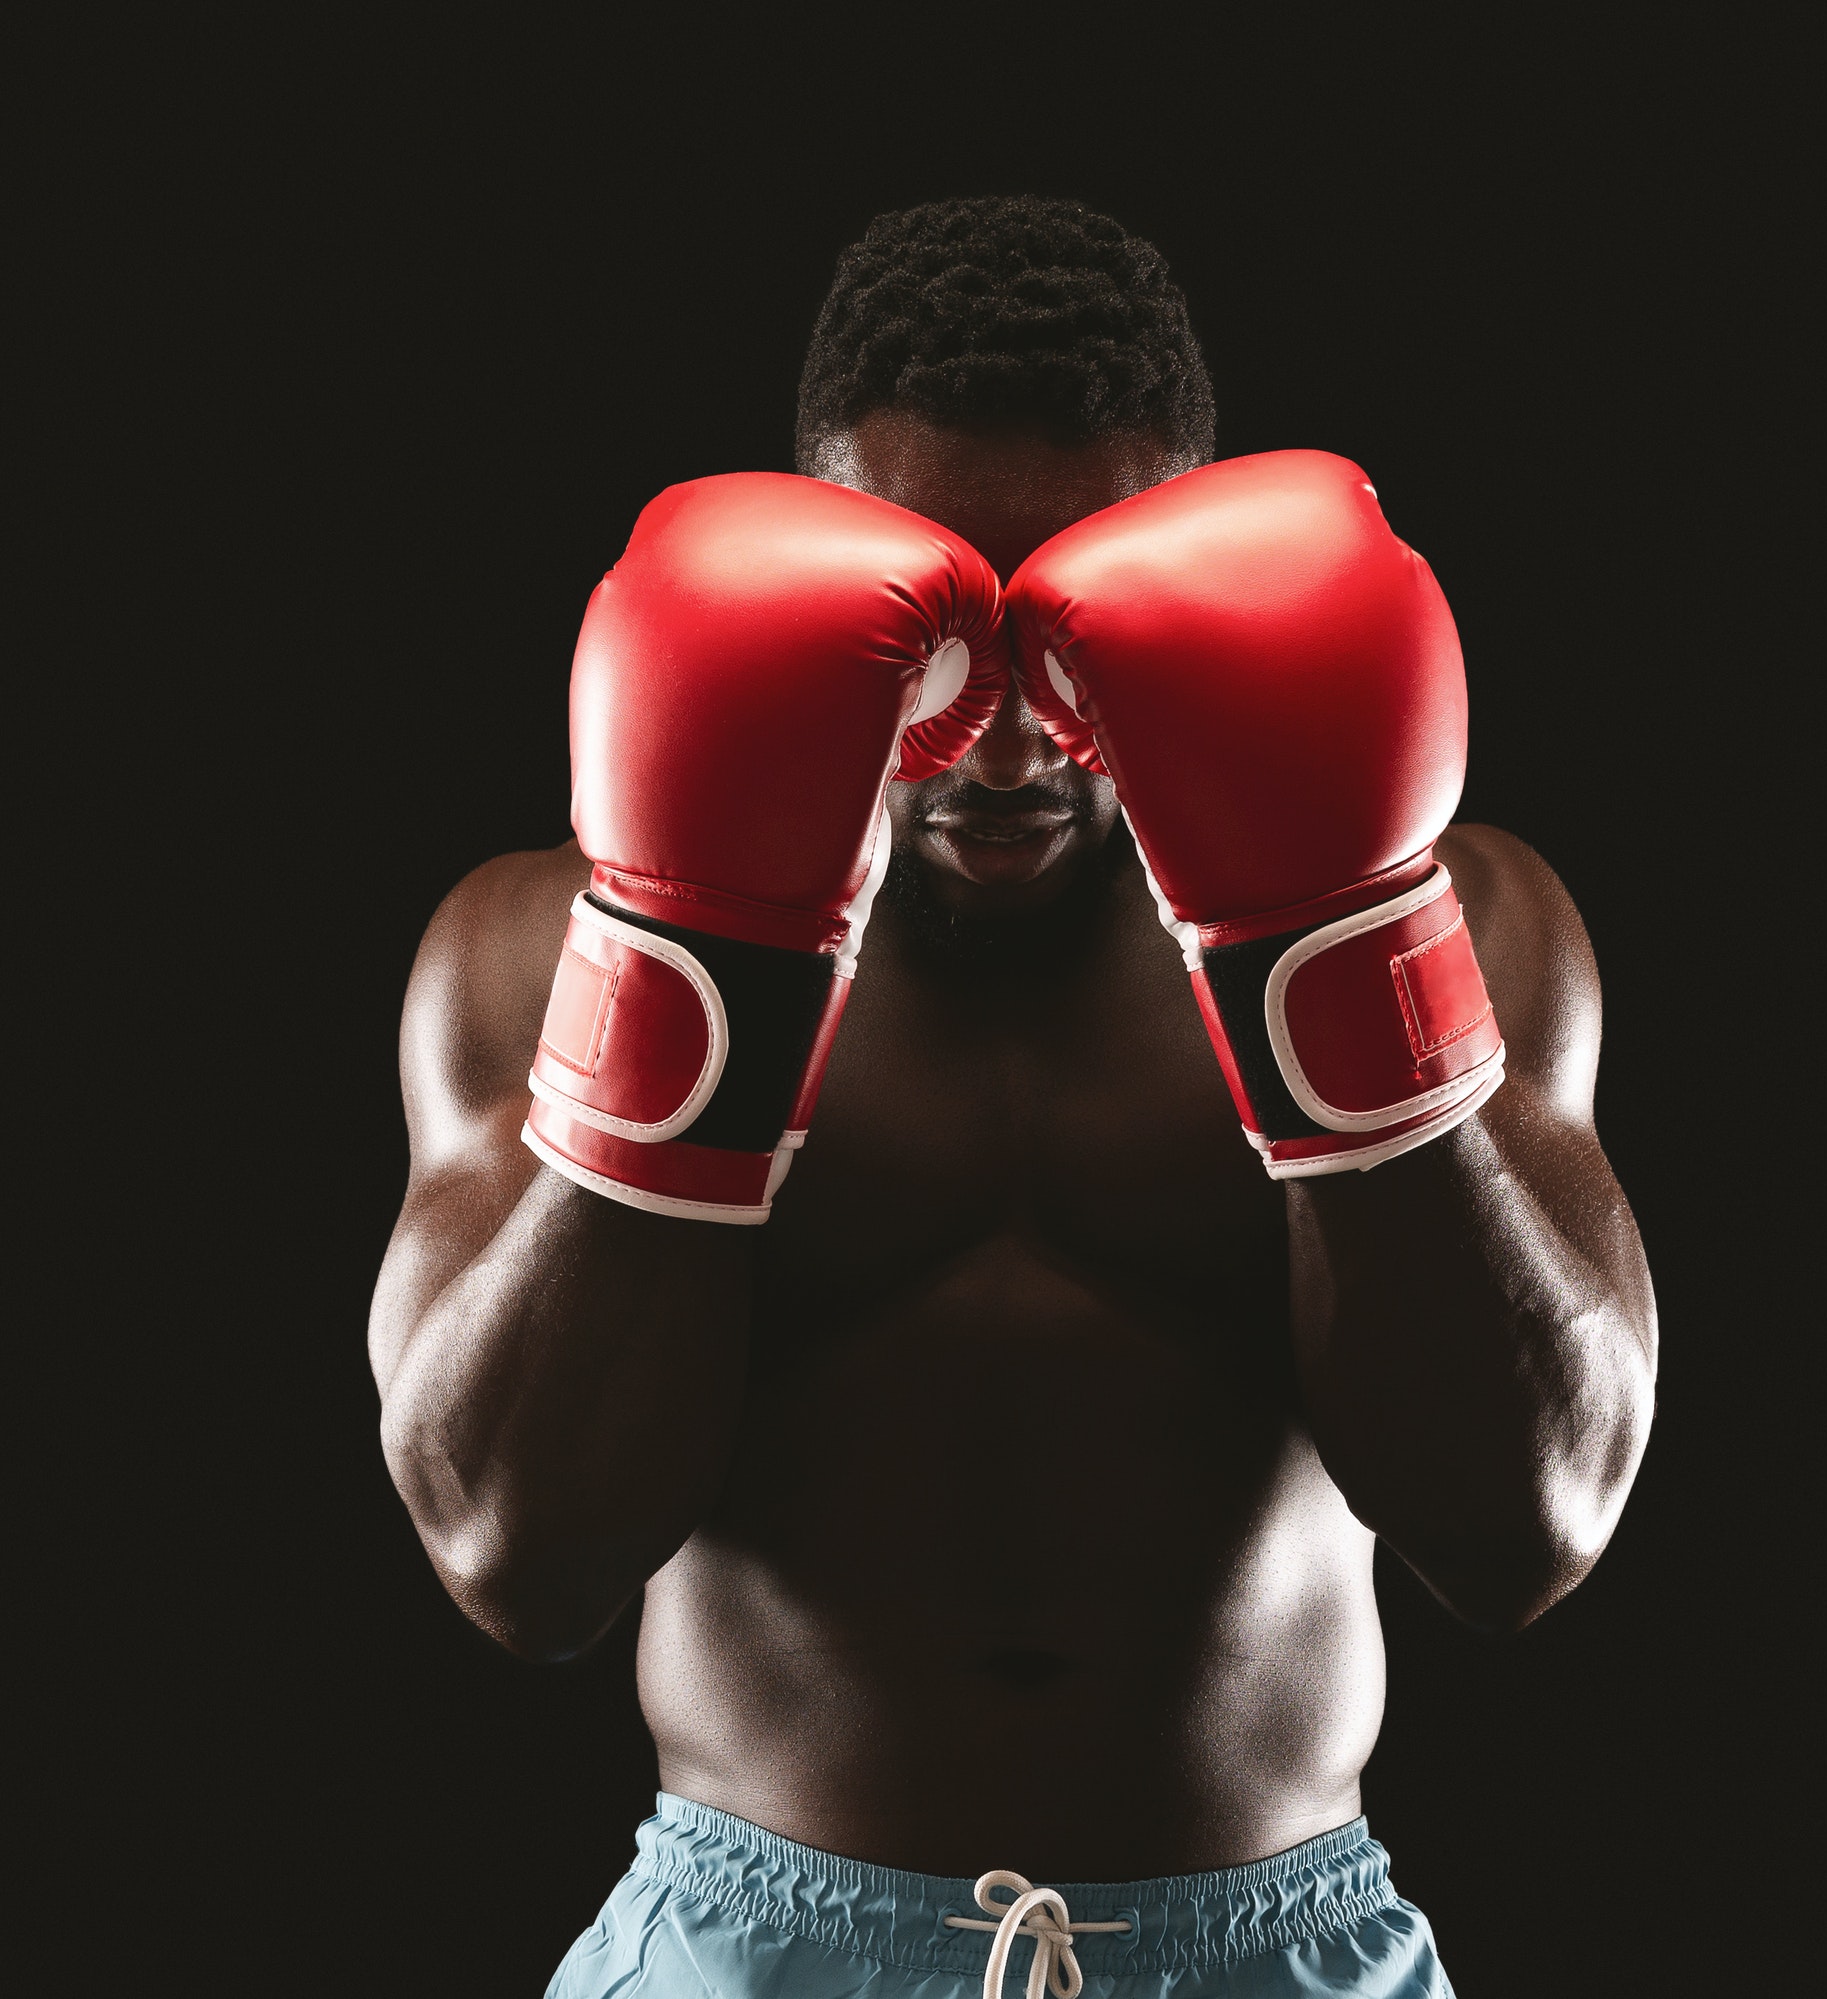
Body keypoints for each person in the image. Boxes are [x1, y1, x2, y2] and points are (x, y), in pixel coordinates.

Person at [369, 195, 1657, 1998]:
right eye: (941, 632)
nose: (1009, 735)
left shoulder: (1465, 919)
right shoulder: (540, 947)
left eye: (1075, 636)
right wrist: (700, 979)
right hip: (746, 1953)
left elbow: (1535, 1528)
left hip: (1270, 1950)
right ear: (808, 555)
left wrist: (1335, 951)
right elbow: (514, 1557)